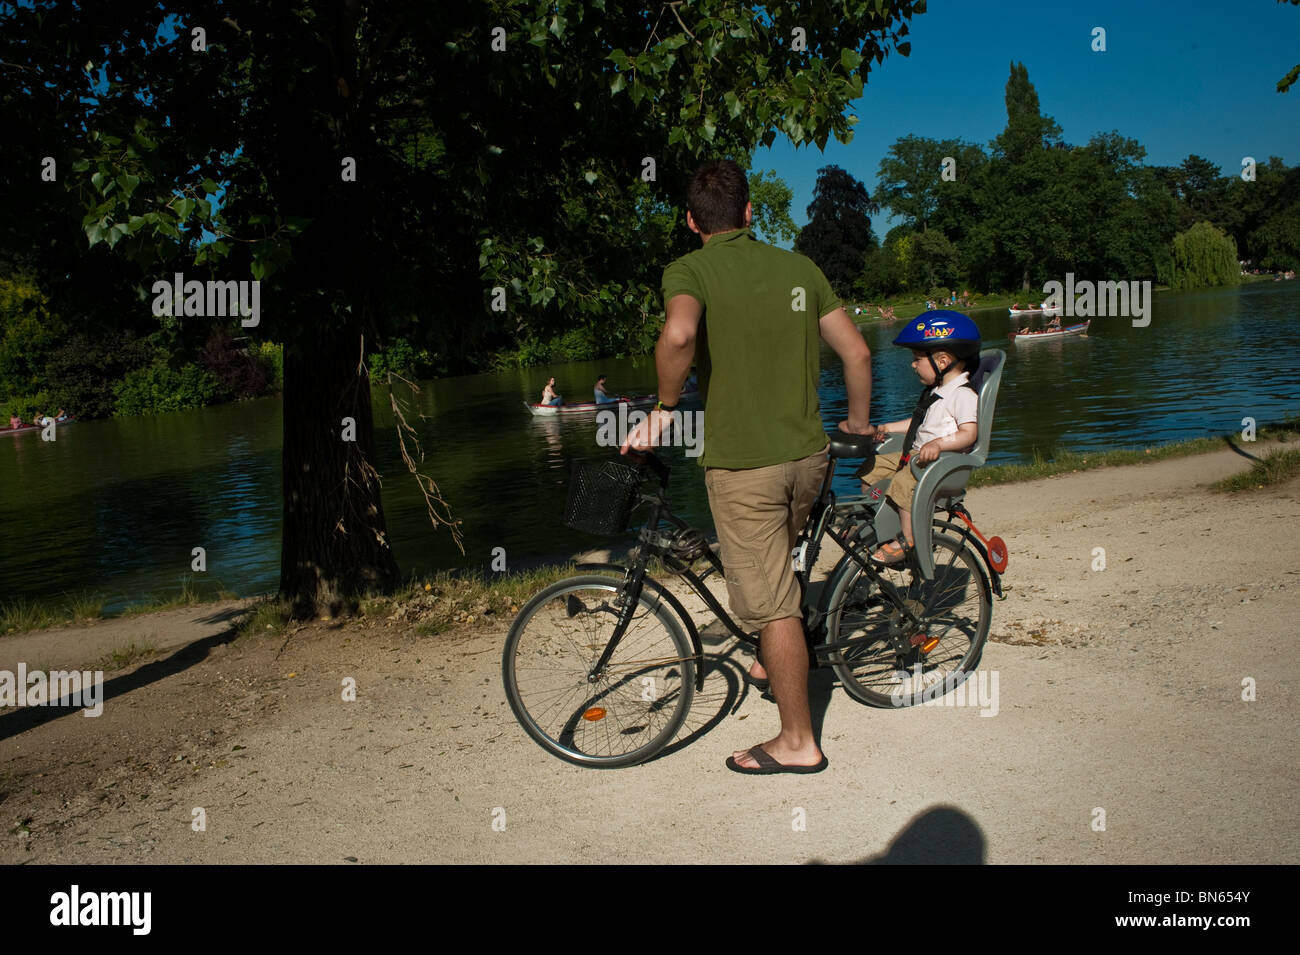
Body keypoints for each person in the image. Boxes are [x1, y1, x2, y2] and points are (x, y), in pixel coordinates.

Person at [620, 159, 874, 775]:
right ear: (750, 212)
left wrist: (664, 408)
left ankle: (796, 742)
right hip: (809, 457)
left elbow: (679, 337)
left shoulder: (691, 269)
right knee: (775, 574)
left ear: (690, 221)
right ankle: (770, 660)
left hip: (744, 468)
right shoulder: (800, 268)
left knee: (773, 604)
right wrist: (860, 426)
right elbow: (858, 351)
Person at [858, 312, 980, 564]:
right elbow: (918, 424)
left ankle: (909, 539)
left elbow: (969, 434)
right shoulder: (938, 392)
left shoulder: (962, 395)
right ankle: (871, 516)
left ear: (943, 361)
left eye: (917, 359)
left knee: (903, 482)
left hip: (941, 463)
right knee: (872, 468)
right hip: (917, 456)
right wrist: (887, 427)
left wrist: (938, 444)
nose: (913, 365)